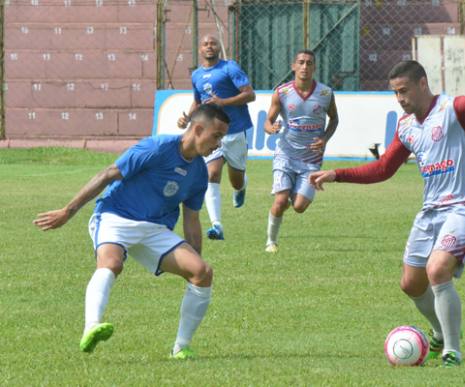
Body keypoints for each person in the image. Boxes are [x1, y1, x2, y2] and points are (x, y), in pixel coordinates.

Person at [309, 60, 465, 367]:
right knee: (411, 284)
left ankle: (452, 352)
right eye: (395, 93)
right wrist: (338, 174)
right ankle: (439, 333)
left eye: (404, 91)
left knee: (437, 270)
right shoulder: (406, 127)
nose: (400, 99)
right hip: (430, 213)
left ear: (422, 84)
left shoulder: (454, 109)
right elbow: (383, 169)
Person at [33, 104, 230, 360]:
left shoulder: (199, 174)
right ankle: (91, 326)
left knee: (203, 274)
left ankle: (181, 347)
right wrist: (67, 211)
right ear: (199, 129)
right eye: (217, 136)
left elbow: (191, 220)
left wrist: (196, 260)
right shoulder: (157, 148)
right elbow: (107, 174)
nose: (218, 144)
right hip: (116, 215)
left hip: (155, 229)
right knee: (112, 264)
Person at [178, 34, 255, 241]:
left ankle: (242, 186)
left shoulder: (230, 68)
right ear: (200, 49)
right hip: (212, 133)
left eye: (212, 43)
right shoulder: (196, 75)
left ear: (218, 47)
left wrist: (224, 102)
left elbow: (250, 94)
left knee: (236, 180)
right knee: (211, 174)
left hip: (236, 130)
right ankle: (217, 225)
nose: (209, 46)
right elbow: (198, 102)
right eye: (205, 44)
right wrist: (188, 119)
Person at [263, 49, 339, 253]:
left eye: (309, 63)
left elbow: (334, 119)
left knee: (299, 207)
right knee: (280, 201)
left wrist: (324, 138)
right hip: (285, 154)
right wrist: (271, 128)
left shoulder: (325, 93)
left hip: (311, 159)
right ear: (293, 66)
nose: (305, 66)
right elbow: (267, 121)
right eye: (301, 62)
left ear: (314, 67)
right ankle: (271, 242)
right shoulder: (282, 92)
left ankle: (288, 195)